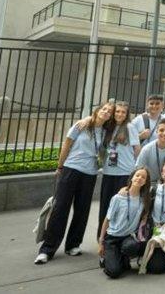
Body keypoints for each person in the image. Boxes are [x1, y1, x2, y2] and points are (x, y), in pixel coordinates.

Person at [35, 102, 114, 264]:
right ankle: (47, 249)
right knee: (60, 208)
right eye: (104, 109)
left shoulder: (106, 132)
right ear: (97, 111)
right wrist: (60, 165)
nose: (106, 112)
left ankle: (73, 244)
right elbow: (67, 144)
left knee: (82, 209)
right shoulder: (81, 125)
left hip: (90, 173)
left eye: (109, 112)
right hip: (71, 169)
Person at [97, 167, 152, 278]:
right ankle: (111, 258)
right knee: (114, 272)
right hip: (112, 238)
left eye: (143, 177)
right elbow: (107, 219)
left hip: (128, 237)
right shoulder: (118, 197)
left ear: (146, 182)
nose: (139, 178)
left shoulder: (144, 200)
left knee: (132, 246)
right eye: (137, 175)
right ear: (132, 178)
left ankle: (121, 257)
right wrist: (101, 242)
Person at [97, 102, 141, 239]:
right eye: (117, 111)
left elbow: (137, 149)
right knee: (105, 206)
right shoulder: (108, 128)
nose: (119, 114)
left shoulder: (129, 127)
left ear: (127, 114)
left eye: (123, 112)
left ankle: (118, 236)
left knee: (122, 207)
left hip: (124, 173)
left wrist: (134, 168)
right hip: (109, 173)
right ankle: (102, 236)